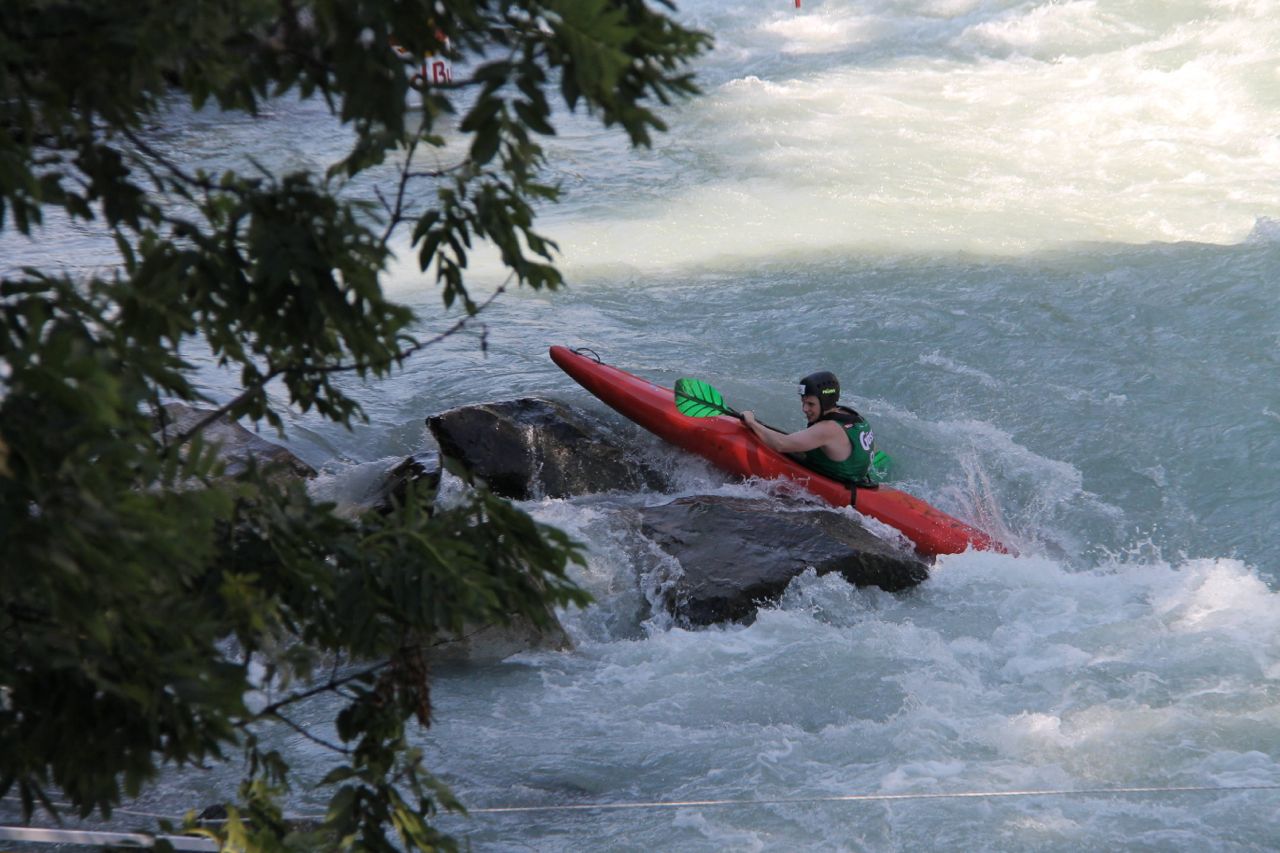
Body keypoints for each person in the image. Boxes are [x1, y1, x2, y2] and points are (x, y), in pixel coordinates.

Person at [741, 370, 882, 486]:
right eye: (803, 402)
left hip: (841, 492)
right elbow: (872, 448)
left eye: (810, 404)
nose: (804, 409)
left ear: (825, 402)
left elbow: (781, 444)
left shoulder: (827, 428)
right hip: (859, 479)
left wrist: (751, 422)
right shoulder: (853, 416)